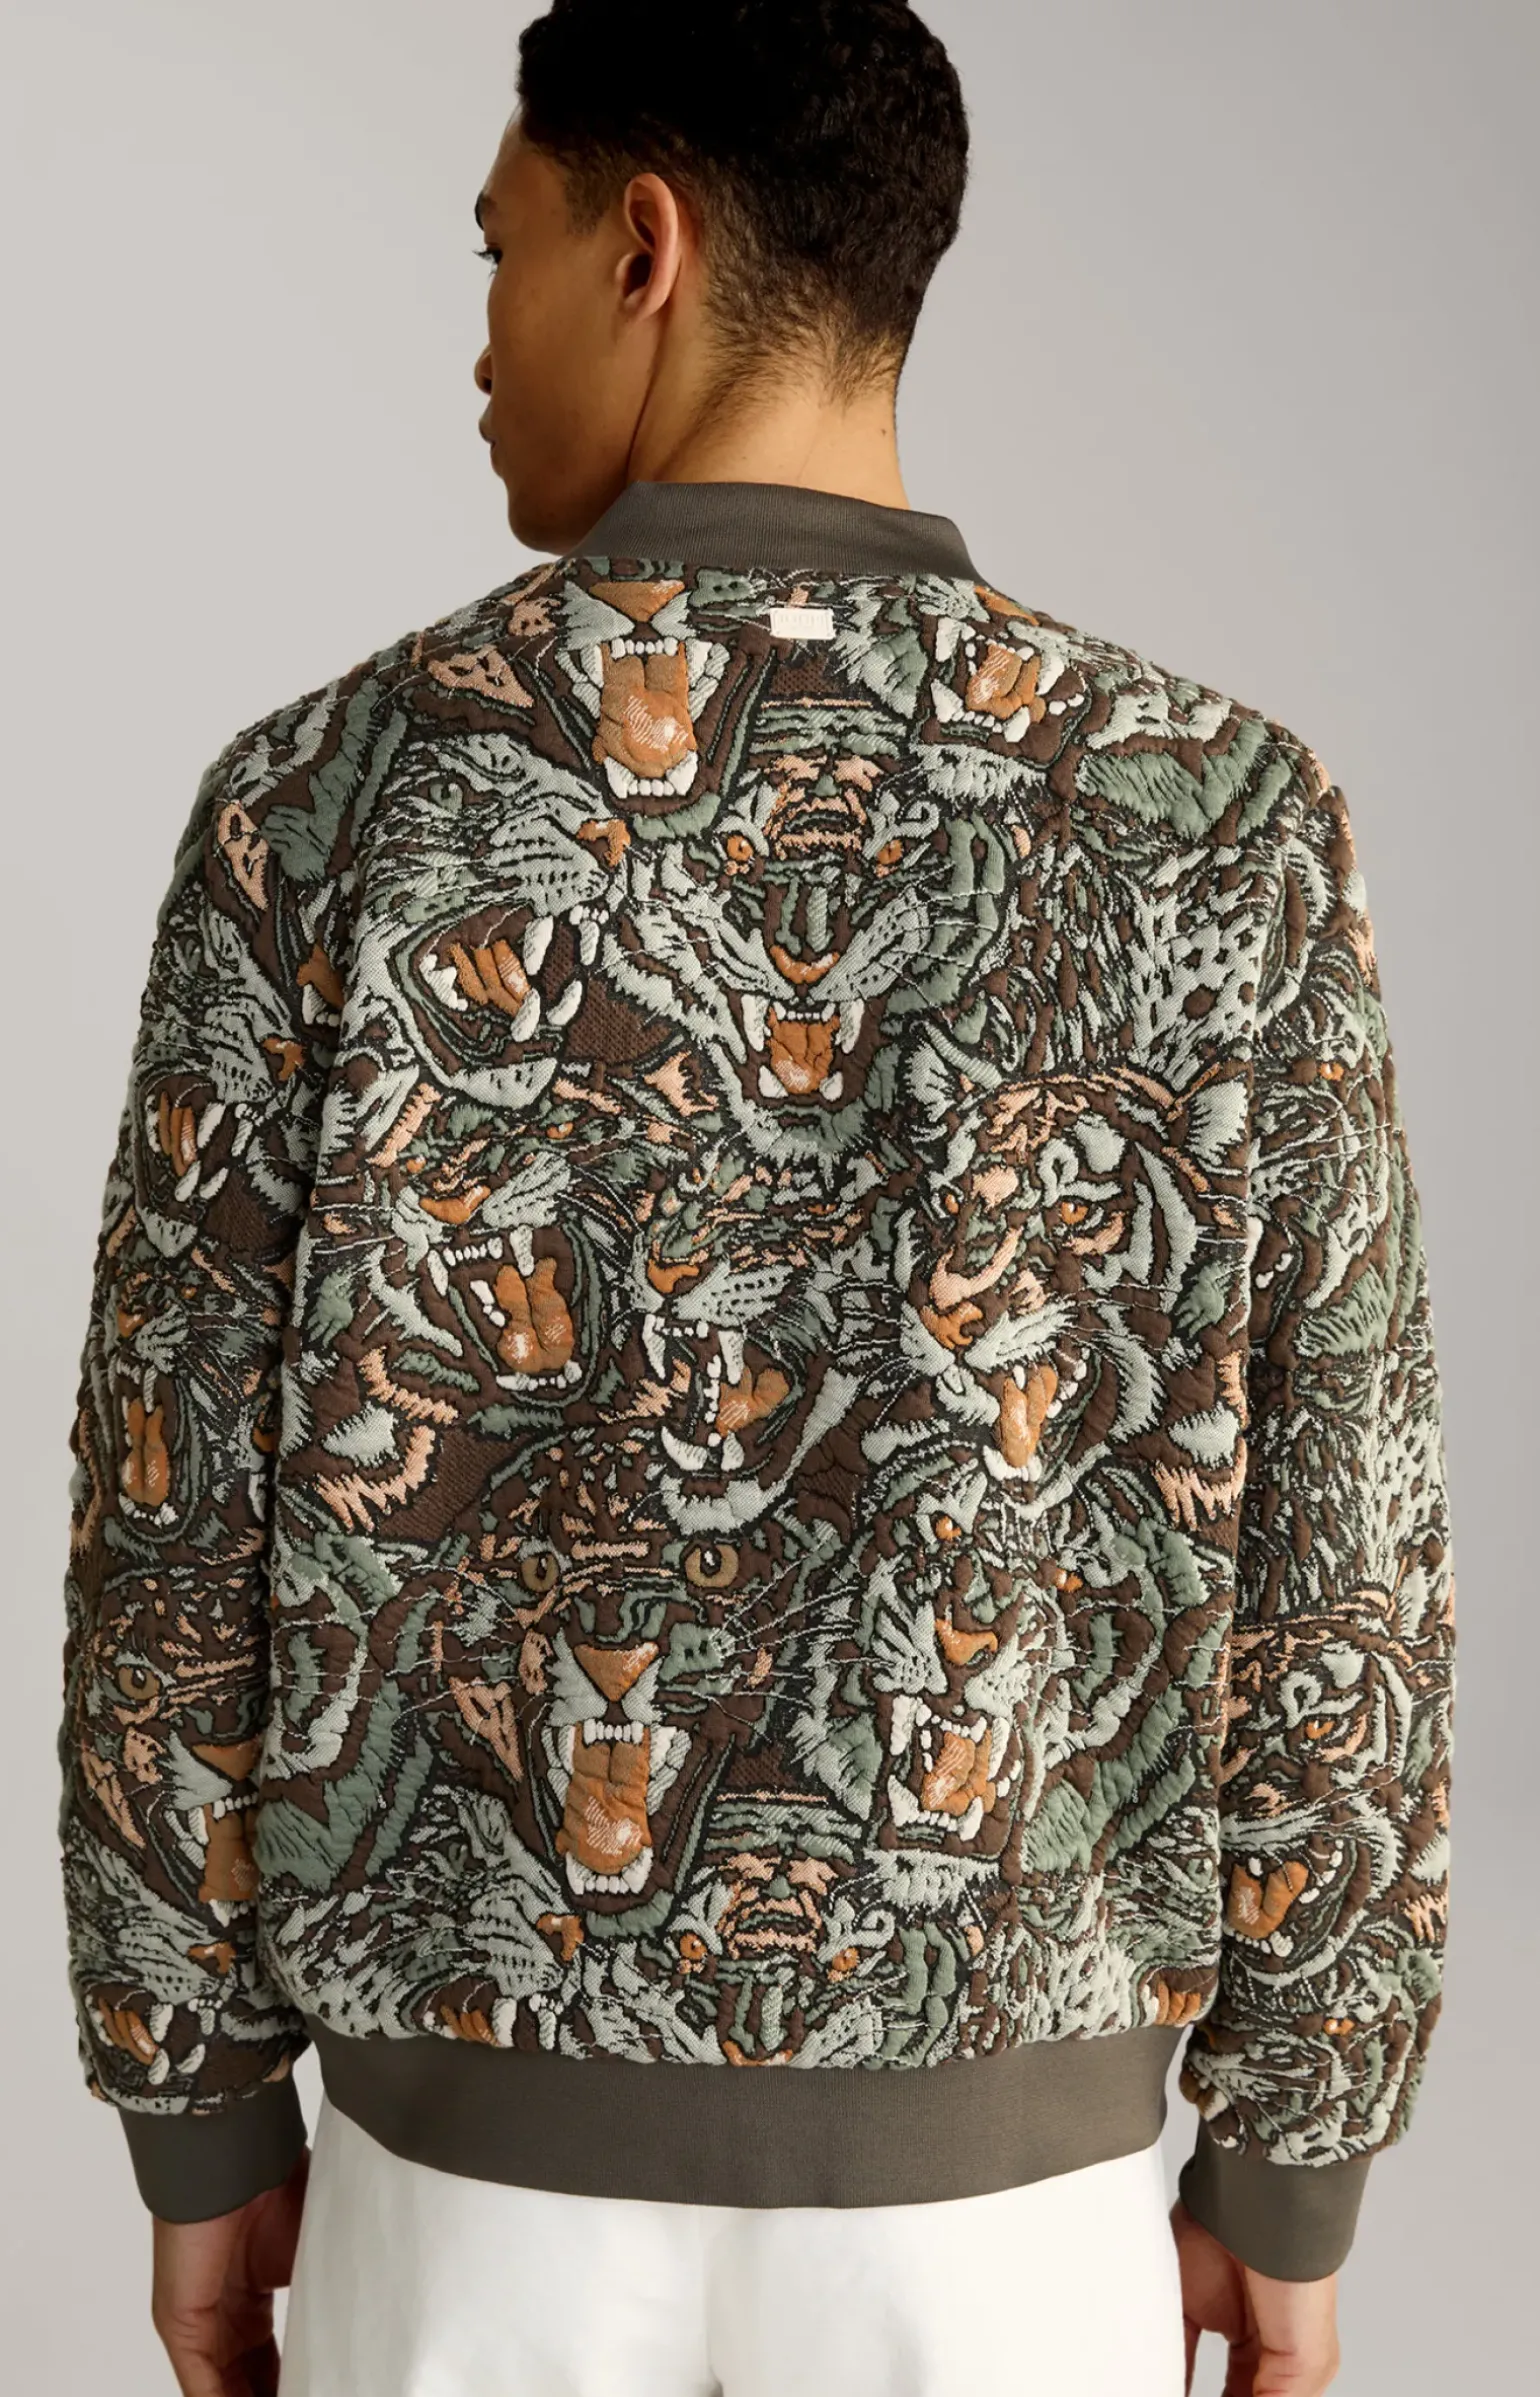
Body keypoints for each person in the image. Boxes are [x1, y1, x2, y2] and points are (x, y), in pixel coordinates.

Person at [56, 5, 1456, 2393]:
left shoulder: (320, 806)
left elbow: (167, 1524)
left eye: (495, 251)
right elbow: (1344, 1547)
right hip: (1004, 2225)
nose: (476, 337)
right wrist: (1285, 2159)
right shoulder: (1215, 815)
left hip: (458, 2207)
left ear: (643, 249)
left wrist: (196, 2123)